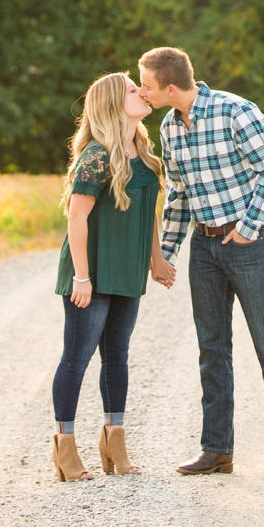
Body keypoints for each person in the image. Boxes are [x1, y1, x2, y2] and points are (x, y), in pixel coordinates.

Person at [137, 46, 264, 483]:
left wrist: (251, 227)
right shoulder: (170, 128)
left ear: (170, 87)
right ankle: (217, 450)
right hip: (205, 250)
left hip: (248, 244)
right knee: (212, 350)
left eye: (147, 84)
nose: (142, 90)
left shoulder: (236, 112)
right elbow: (178, 195)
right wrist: (166, 255)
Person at [50, 71, 178, 481]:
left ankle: (114, 441)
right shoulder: (96, 156)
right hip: (92, 272)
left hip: (127, 270)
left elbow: (148, 214)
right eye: (131, 89)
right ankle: (64, 448)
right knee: (77, 358)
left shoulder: (143, 152)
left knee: (118, 357)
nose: (142, 91)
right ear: (110, 103)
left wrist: (156, 259)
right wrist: (82, 278)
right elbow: (77, 218)